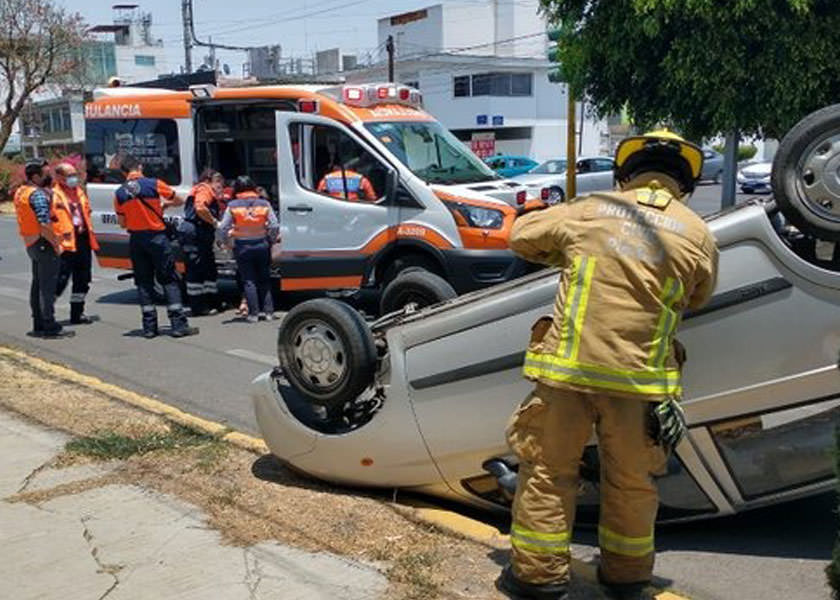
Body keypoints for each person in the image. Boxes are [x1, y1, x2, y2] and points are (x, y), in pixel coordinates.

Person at [499, 130, 719, 600]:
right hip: (641, 385)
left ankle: (538, 578)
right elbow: (698, 296)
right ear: (686, 184)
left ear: (625, 175)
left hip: (569, 374)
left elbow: (521, 236)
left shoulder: (592, 208)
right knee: (632, 483)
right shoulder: (698, 234)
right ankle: (626, 577)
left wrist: (567, 251)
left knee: (548, 474)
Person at [113, 155, 198, 339]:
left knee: (143, 282)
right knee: (169, 279)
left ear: (123, 172)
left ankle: (149, 327)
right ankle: (178, 325)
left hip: (136, 239)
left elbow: (121, 222)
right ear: (140, 167)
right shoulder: (154, 184)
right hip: (157, 238)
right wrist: (163, 206)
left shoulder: (120, 193)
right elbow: (179, 200)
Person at [13, 159, 75, 338]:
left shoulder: (21, 192)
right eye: (46, 173)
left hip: (31, 242)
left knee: (38, 284)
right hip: (43, 243)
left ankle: (38, 322)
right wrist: (56, 243)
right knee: (47, 286)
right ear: (35, 177)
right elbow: (44, 223)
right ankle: (49, 324)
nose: (50, 176)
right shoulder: (38, 194)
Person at [217, 175, 280, 323]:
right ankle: (269, 313)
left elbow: (223, 226)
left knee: (249, 280)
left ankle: (253, 314)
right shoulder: (264, 203)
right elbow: (274, 225)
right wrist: (270, 238)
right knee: (264, 279)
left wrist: (225, 241)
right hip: (262, 244)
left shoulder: (232, 205)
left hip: (243, 246)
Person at [53, 162, 100, 324]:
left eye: (75, 175)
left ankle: (77, 312)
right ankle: (46, 313)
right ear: (59, 177)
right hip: (65, 243)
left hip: (82, 240)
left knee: (83, 278)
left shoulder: (79, 192)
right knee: (60, 279)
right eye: (69, 175)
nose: (74, 179)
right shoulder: (54, 195)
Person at [180, 168, 224, 316]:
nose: (220, 188)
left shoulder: (203, 190)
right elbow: (200, 208)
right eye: (219, 184)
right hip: (195, 232)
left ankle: (212, 302)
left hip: (199, 232)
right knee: (196, 269)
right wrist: (214, 221)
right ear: (209, 181)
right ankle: (198, 307)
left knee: (208, 268)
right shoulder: (204, 190)